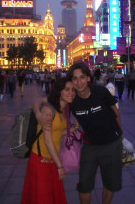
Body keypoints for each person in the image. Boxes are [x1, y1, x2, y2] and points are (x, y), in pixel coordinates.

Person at [35, 62, 123, 204]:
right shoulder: (71, 98)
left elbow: (115, 111)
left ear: (88, 78)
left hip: (111, 144)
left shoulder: (100, 92)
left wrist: (121, 134)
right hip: (90, 146)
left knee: (110, 183)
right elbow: (40, 101)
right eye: (75, 78)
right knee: (84, 186)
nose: (79, 82)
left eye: (82, 77)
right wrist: (39, 115)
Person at [21, 77, 76, 204]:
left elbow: (56, 132)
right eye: (67, 89)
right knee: (43, 197)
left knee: (53, 194)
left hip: (53, 157)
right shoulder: (48, 110)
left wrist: (71, 130)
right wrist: (60, 166)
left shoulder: (66, 107)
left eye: (72, 90)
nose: (71, 92)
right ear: (59, 91)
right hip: (41, 159)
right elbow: (48, 140)